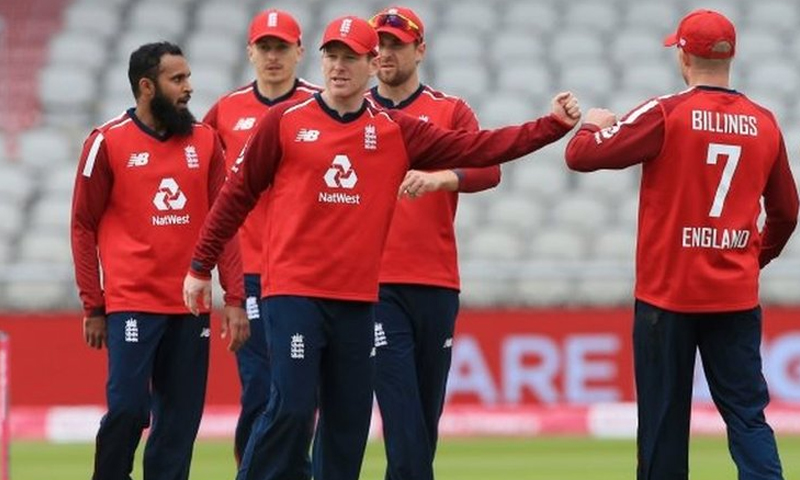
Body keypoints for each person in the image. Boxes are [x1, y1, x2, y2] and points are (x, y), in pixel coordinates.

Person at [184, 15, 580, 480]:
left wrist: (552, 126)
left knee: (349, 423)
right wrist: (200, 266)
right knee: (292, 406)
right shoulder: (285, 122)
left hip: (357, 300)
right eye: (332, 56)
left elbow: (481, 148)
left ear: (372, 64)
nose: (338, 66)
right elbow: (235, 196)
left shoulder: (395, 131)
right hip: (293, 292)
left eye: (350, 58)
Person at [564, 10, 798, 480]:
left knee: (663, 425)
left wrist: (591, 124)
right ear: (731, 56)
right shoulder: (764, 122)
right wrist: (752, 259)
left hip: (667, 298)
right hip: (734, 297)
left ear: (684, 57)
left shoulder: (666, 113)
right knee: (747, 417)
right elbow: (787, 212)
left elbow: (580, 156)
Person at [70, 41, 249, 480]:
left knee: (179, 424)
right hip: (132, 302)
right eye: (177, 79)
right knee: (128, 408)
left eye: (188, 77)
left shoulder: (205, 141)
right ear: (147, 86)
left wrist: (236, 297)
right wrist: (94, 303)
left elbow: (224, 223)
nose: (189, 87)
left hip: (190, 306)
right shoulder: (106, 141)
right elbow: (82, 225)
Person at [366, 7, 500, 480]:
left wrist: (442, 177)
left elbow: (489, 168)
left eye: (395, 45)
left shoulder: (449, 111)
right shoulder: (355, 112)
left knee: (424, 420)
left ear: (420, 50)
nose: (384, 54)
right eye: (378, 45)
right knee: (401, 415)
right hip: (373, 285)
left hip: (436, 281)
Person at [203, 8, 321, 465]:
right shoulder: (226, 111)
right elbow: (199, 178)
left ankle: (295, 471)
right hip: (250, 273)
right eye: (265, 47)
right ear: (250, 52)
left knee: (300, 390)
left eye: (282, 48)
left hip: (306, 274)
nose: (273, 57)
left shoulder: (321, 105)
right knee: (258, 387)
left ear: (299, 52)